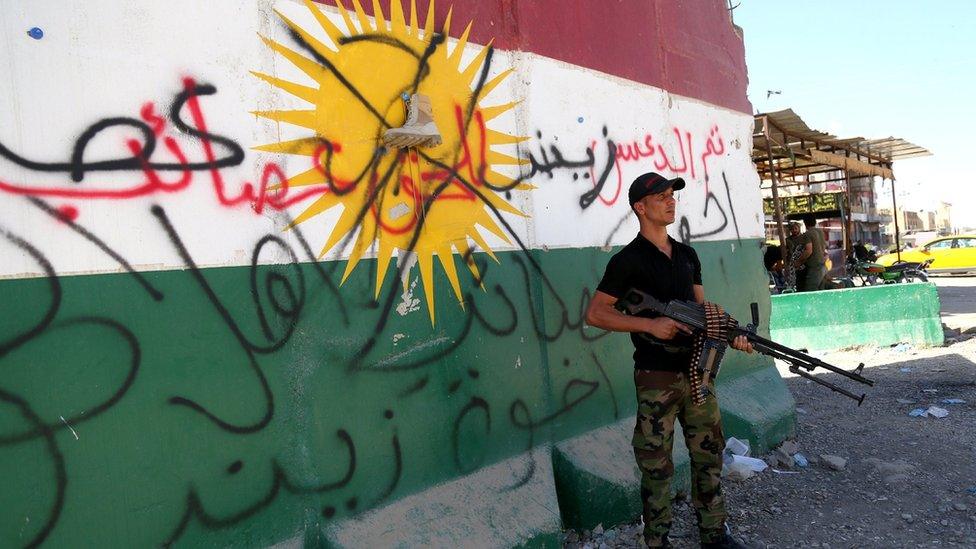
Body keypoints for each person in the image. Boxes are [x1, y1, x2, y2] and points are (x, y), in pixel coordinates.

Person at [585, 172, 753, 549]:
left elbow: (700, 316)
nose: (671, 200)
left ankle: (714, 535)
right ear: (640, 207)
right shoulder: (626, 261)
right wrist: (650, 324)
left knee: (708, 457)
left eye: (672, 195)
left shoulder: (688, 256)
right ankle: (657, 541)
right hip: (656, 377)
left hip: (698, 373)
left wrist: (732, 335)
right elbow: (596, 314)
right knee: (657, 467)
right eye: (661, 196)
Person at [794, 215, 826, 292]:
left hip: (814, 267)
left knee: (810, 291)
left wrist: (798, 262)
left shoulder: (808, 234)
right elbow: (824, 247)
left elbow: (808, 251)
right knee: (821, 291)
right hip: (823, 266)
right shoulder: (820, 232)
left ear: (805, 223)